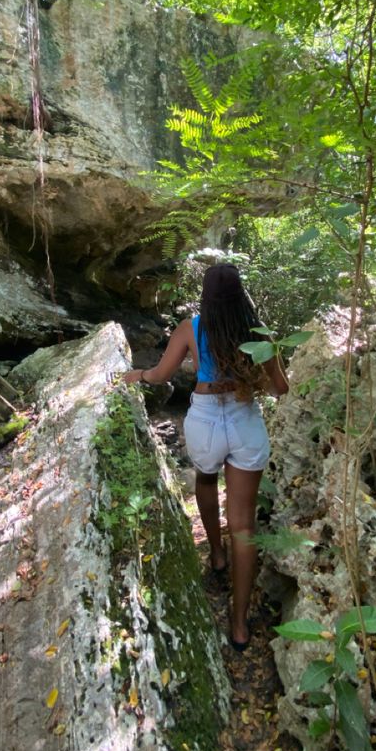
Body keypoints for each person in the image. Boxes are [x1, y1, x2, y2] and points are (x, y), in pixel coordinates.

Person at [123, 263, 288, 652]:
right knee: (244, 525)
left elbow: (161, 375)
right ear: (241, 293)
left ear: (206, 295)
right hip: (245, 422)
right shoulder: (259, 332)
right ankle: (240, 624)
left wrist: (139, 375)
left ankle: (216, 555)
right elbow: (281, 387)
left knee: (205, 479)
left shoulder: (191, 327)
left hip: (205, 420)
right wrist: (250, 380)